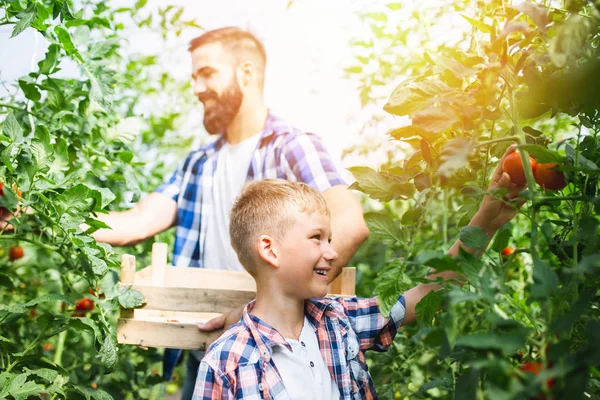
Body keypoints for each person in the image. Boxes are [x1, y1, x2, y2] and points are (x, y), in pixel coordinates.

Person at [89, 27, 369, 398]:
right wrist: (42, 214)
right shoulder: (199, 163)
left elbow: (351, 224)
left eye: (207, 73)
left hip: (280, 345)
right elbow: (138, 220)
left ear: (246, 73)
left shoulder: (293, 147)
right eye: (193, 76)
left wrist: (260, 311)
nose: (196, 87)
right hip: (209, 340)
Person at [192, 146, 525, 399]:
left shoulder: (339, 320)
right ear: (270, 250)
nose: (332, 252)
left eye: (330, 239)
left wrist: (486, 222)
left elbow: (429, 291)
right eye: (316, 238)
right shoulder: (226, 363)